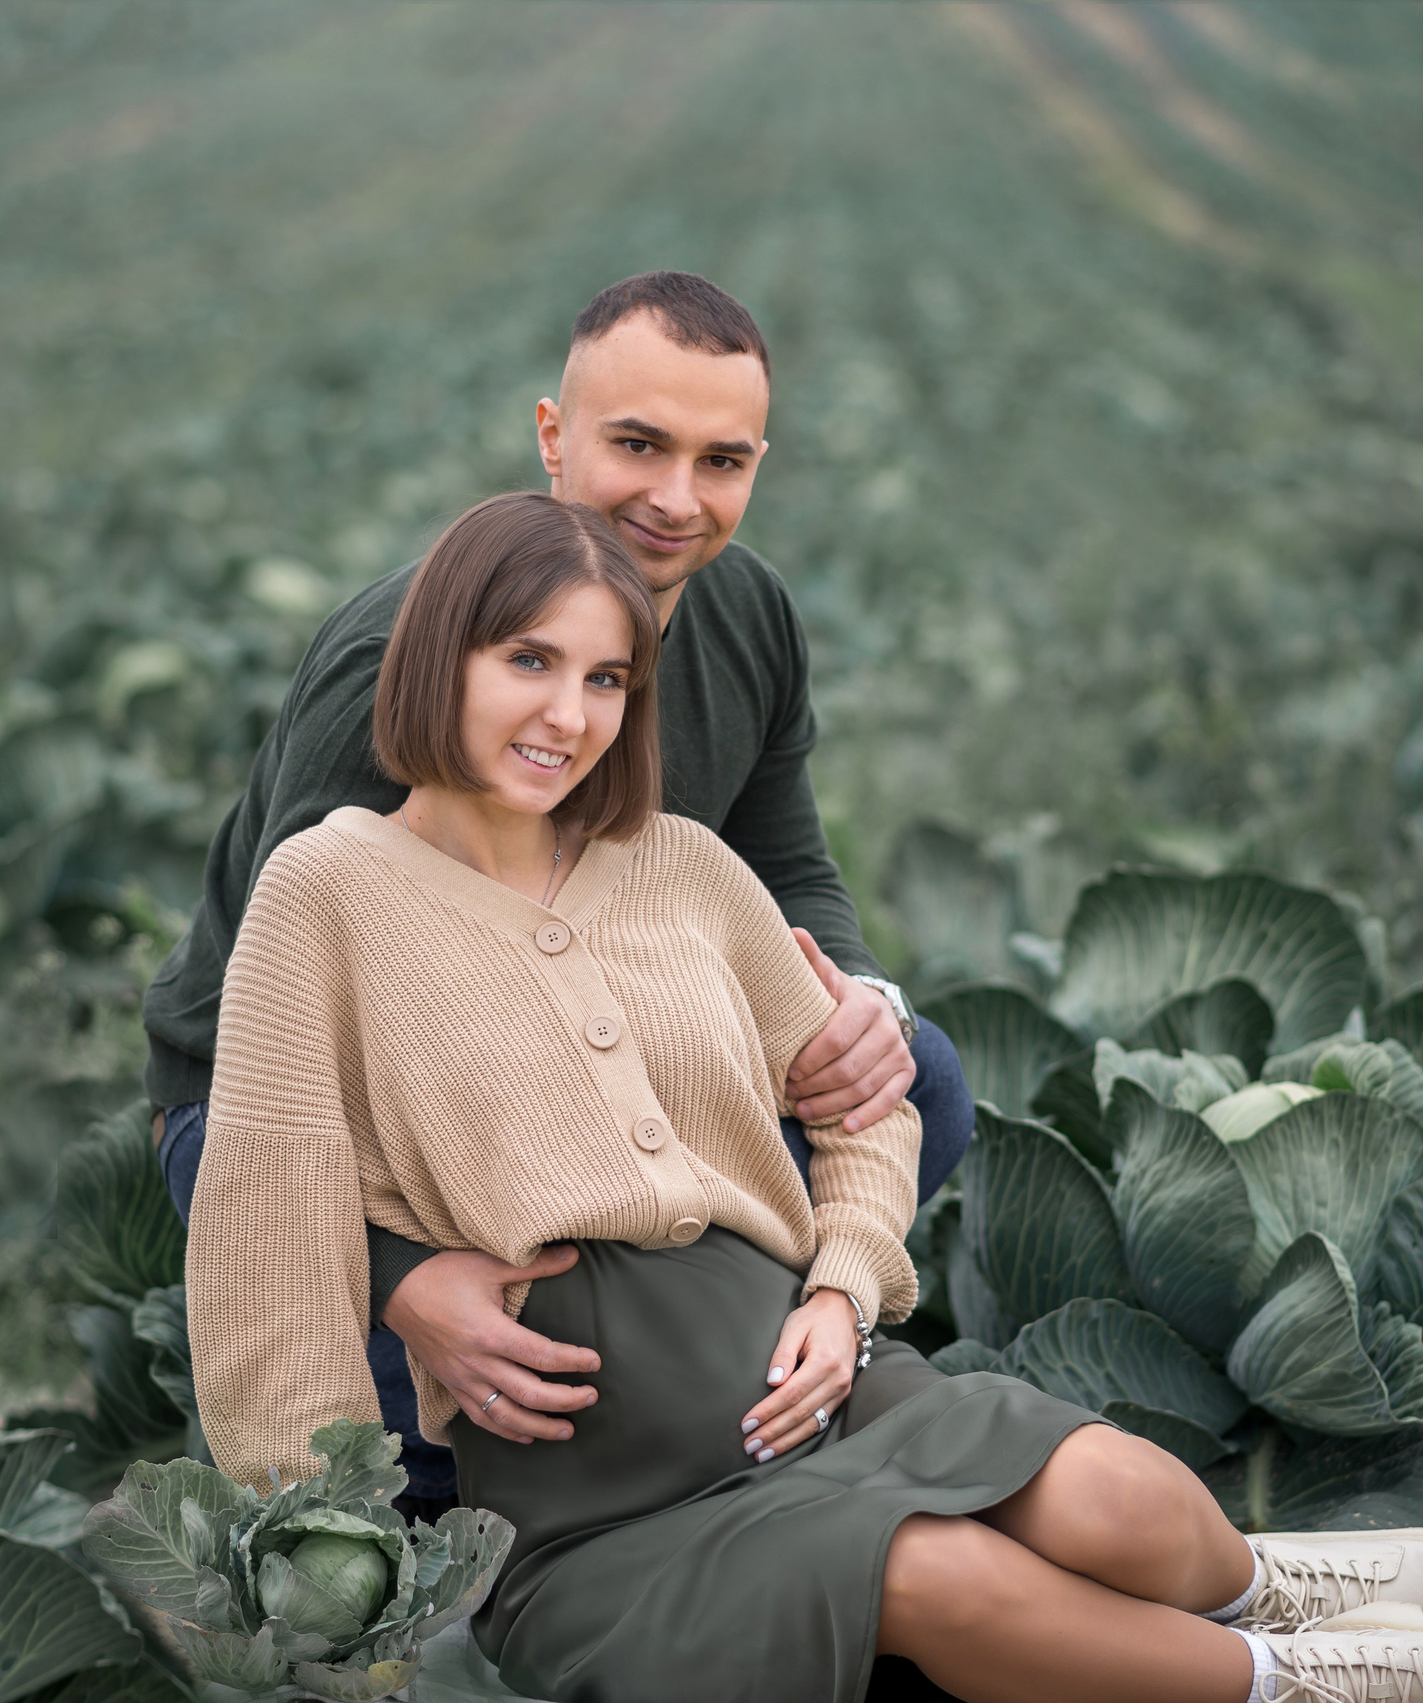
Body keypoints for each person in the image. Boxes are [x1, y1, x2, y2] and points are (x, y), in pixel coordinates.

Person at [187, 490, 1423, 1703]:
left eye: (608, 677)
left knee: (1119, 1496)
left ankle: (1281, 1586)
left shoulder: (681, 861)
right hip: (600, 1512)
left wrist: (844, 1281)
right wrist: (317, 1530)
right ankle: (1310, 1681)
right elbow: (264, 1220)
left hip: (823, 1396)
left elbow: (859, 1097)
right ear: (441, 653)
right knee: (945, 1575)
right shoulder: (329, 888)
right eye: (529, 661)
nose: (569, 713)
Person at [142, 272, 975, 1512]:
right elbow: (301, 1038)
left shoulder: (746, 612)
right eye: (636, 444)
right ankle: (471, 1444)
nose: (675, 499)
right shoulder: (403, 667)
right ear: (553, 436)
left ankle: (726, 1349)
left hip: (577, 1034)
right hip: (278, 1105)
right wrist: (397, 1273)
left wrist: (851, 993)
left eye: (721, 459)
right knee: (430, 1438)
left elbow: (785, 858)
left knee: (922, 1073)